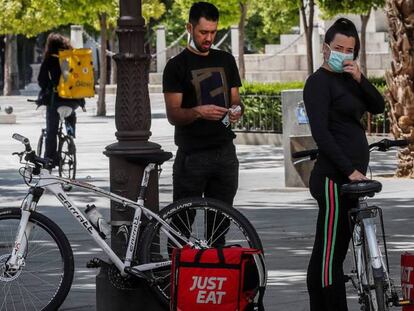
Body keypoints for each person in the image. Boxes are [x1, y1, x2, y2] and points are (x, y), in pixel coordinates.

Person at [303, 18, 385, 311]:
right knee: (329, 257)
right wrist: (349, 171)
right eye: (338, 47)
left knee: (335, 253)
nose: (343, 53)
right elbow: (321, 134)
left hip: (350, 183)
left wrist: (361, 79)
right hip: (332, 179)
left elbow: (378, 106)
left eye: (350, 50)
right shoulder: (317, 83)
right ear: (326, 48)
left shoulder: (349, 79)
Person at [162, 2, 243, 246]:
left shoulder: (226, 60)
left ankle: (214, 274)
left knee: (220, 226)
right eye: (203, 32)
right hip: (192, 156)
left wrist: (237, 111)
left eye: (213, 32)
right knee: (181, 227)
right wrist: (198, 112)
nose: (209, 38)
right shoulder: (176, 66)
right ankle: (175, 277)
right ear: (190, 27)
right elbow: (173, 114)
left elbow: (237, 100)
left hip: (225, 153)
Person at [38, 33, 84, 166]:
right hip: (74, 101)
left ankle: (50, 160)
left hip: (56, 101)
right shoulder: (72, 58)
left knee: (51, 132)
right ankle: (70, 136)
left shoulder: (50, 59)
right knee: (70, 113)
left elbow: (42, 80)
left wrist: (47, 89)